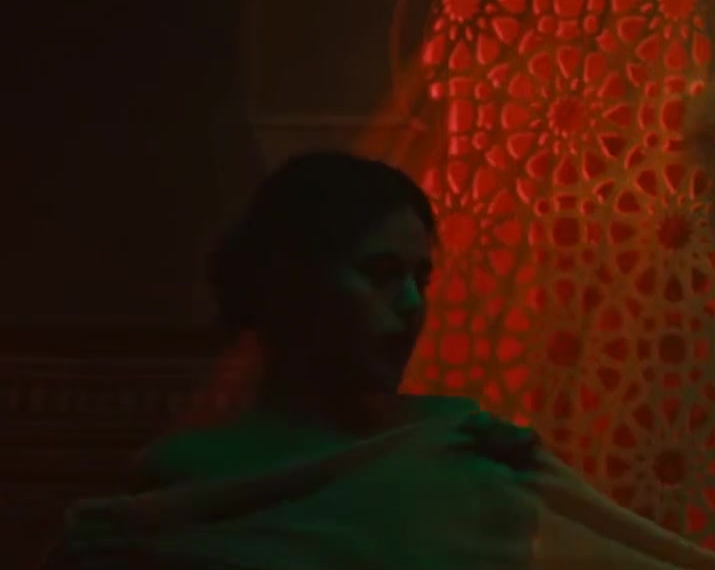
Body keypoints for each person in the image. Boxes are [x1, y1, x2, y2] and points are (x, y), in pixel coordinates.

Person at [138, 150, 537, 485]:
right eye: (380, 274)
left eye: (421, 279)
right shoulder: (194, 477)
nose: (413, 303)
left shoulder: (459, 447)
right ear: (294, 282)